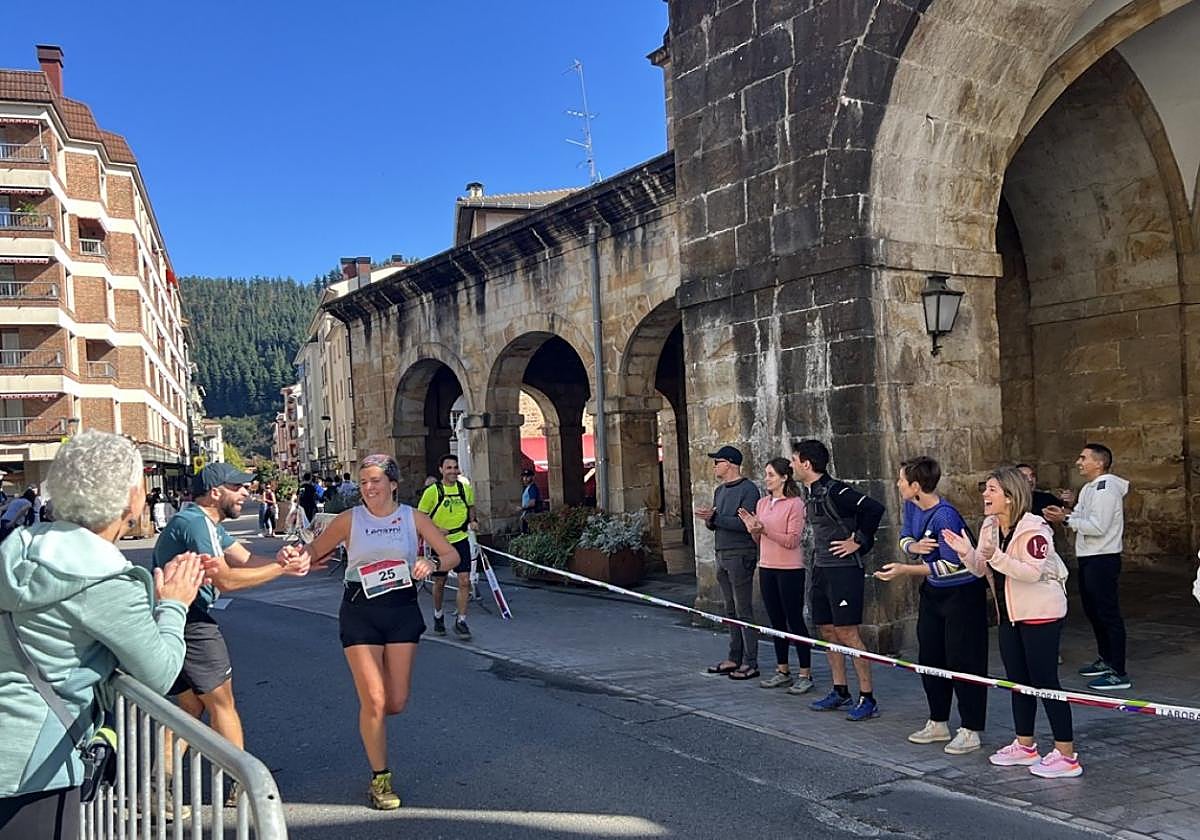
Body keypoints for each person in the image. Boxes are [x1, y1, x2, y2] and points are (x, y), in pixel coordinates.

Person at [0, 430, 205, 839]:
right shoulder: (105, 579)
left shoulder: (18, 548)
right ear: (130, 497)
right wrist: (174, 604)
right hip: (37, 763)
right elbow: (160, 672)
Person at [299, 454, 457, 809]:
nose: (368, 488)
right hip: (360, 611)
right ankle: (380, 778)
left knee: (395, 702)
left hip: (401, 610)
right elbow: (313, 551)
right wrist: (291, 559)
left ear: (393, 484)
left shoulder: (411, 517)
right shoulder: (349, 520)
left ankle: (372, 722)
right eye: (364, 482)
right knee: (374, 699)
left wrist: (431, 562)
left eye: (376, 481)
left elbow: (451, 555)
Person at [152, 463, 308, 801]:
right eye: (238, 488)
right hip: (191, 620)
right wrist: (281, 569)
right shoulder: (195, 522)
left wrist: (279, 558)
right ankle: (242, 784)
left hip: (173, 616)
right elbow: (227, 579)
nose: (245, 494)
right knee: (223, 703)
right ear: (215, 491)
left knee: (190, 707)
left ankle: (156, 786)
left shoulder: (203, 522)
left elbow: (244, 558)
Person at [944, 466, 1081, 778]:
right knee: (1018, 682)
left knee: (1046, 682)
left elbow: (1031, 572)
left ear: (1009, 496)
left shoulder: (1036, 528)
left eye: (991, 489)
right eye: (986, 489)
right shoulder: (990, 525)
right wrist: (966, 551)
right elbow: (981, 568)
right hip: (1009, 615)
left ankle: (1066, 754)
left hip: (1040, 613)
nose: (985, 495)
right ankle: (1025, 744)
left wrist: (994, 557)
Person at [875, 456, 987, 755]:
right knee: (931, 658)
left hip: (963, 595)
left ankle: (970, 729)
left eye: (901, 480)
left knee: (963, 660)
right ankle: (938, 721)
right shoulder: (913, 505)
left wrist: (904, 569)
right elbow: (905, 537)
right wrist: (913, 548)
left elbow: (953, 566)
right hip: (934, 593)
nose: (897, 484)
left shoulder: (945, 516)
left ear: (916, 486)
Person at [790, 439, 885, 720]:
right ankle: (840, 690)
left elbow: (873, 508)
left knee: (847, 632)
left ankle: (867, 698)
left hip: (844, 571)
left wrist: (858, 540)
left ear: (806, 464)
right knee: (827, 630)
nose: (792, 464)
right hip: (821, 569)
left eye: (794, 460)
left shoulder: (837, 490)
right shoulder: (810, 492)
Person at [1043, 444, 1130, 691]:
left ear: (1099, 463)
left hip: (1103, 558)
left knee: (1107, 613)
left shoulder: (1106, 488)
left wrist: (1066, 519)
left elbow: (1098, 526)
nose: (1079, 462)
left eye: (1084, 458)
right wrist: (1064, 512)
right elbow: (1081, 517)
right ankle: (1106, 659)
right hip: (1091, 557)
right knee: (1095, 611)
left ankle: (1118, 671)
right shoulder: (1091, 488)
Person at [737, 457, 812, 694]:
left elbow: (792, 540)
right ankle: (782, 669)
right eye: (766, 474)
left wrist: (764, 529)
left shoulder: (796, 504)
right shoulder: (761, 503)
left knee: (794, 619)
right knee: (776, 621)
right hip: (767, 566)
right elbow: (759, 540)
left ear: (784, 477)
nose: (766, 478)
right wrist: (753, 530)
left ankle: (805, 672)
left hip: (790, 569)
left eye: (770, 474)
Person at [694, 445, 762, 681]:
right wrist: (709, 520)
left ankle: (750, 662)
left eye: (718, 461)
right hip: (722, 552)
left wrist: (716, 518)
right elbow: (718, 522)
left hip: (741, 553)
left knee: (744, 609)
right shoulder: (719, 491)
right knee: (730, 608)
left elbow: (746, 524)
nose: (714, 466)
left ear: (731, 463)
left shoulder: (749, 490)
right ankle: (734, 656)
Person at [418, 454, 478, 639]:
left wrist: (473, 521)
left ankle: (461, 621)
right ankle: (438, 615)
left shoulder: (465, 488)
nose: (453, 471)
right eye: (449, 468)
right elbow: (420, 517)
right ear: (441, 470)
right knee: (440, 581)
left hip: (460, 538)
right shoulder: (432, 492)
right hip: (440, 543)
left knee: (464, 580)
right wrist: (435, 529)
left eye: (455, 467)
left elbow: (471, 507)